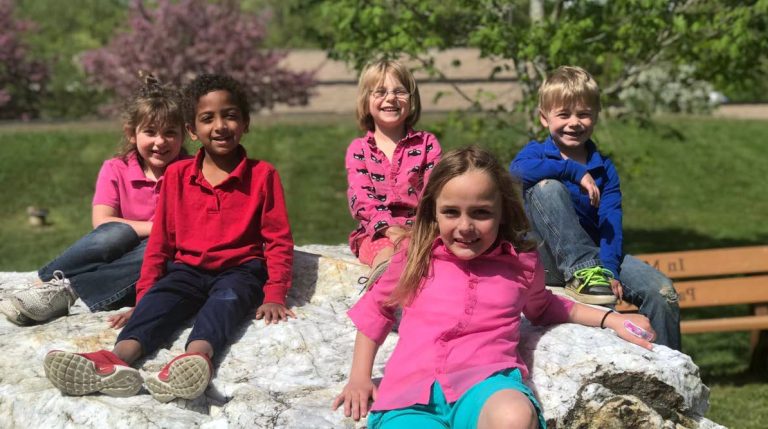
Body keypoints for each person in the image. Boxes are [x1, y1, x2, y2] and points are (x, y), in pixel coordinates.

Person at [332, 147, 655, 428]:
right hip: (411, 395)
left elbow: (545, 307)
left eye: (481, 213)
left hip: (484, 384)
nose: (465, 227)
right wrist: (359, 376)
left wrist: (610, 319)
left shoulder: (521, 264)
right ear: (433, 212)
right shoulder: (415, 256)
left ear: (502, 212)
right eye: (451, 213)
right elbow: (377, 308)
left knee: (514, 417)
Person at [43, 73, 295, 402]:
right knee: (158, 306)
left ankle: (195, 359)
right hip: (185, 270)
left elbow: (278, 240)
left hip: (240, 270)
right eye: (207, 118)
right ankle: (116, 360)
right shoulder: (178, 175)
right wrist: (144, 298)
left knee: (225, 305)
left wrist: (275, 293)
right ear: (193, 129)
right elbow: (160, 242)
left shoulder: (263, 175)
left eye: (230, 115)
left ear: (245, 122)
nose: (220, 126)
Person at [509, 65, 680, 350]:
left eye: (583, 114)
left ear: (596, 117)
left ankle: (670, 366)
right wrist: (572, 171)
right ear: (544, 118)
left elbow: (610, 223)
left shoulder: (605, 169)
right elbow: (515, 172)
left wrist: (611, 271)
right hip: (548, 261)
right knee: (546, 186)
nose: (573, 122)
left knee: (662, 292)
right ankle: (582, 274)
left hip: (597, 260)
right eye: (563, 114)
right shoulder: (535, 154)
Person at [0, 74, 186, 327]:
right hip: (119, 249)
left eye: (170, 133)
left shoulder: (191, 172)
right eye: (150, 132)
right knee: (116, 232)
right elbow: (102, 222)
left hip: (151, 267)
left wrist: (158, 234)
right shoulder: (115, 168)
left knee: (158, 247)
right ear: (131, 133)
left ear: (184, 135)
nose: (160, 142)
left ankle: (69, 294)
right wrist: (155, 227)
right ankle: (43, 283)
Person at [345, 59, 442, 288]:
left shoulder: (427, 143)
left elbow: (436, 192)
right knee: (388, 253)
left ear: (411, 99)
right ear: (366, 101)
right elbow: (361, 199)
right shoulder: (359, 149)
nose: (390, 98)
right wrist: (391, 230)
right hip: (375, 232)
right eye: (380, 92)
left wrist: (421, 230)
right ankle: (378, 293)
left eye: (399, 91)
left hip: (420, 229)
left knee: (427, 253)